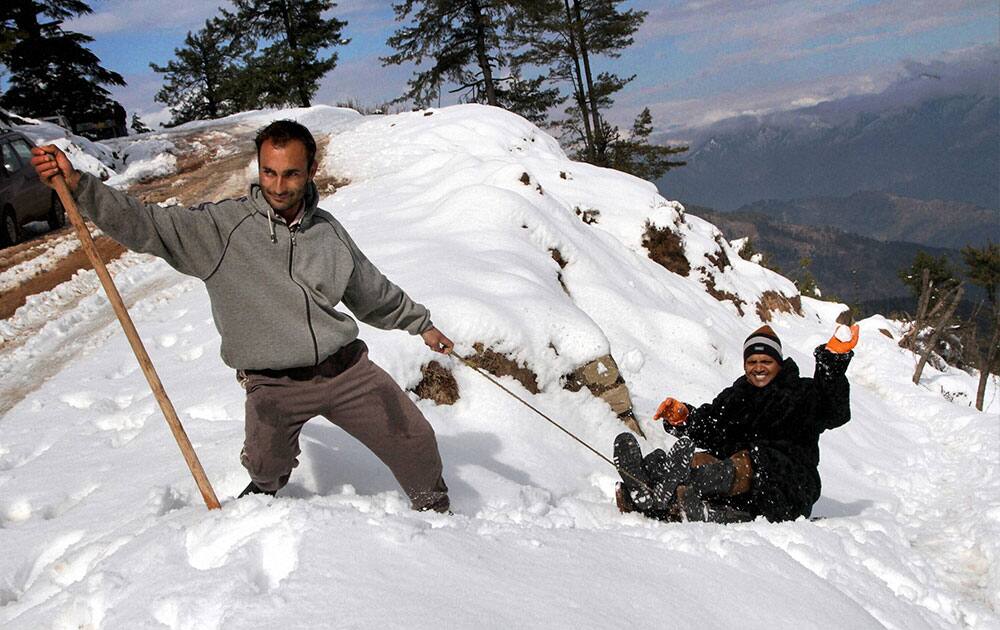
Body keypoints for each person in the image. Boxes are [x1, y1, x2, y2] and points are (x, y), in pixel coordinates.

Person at [31, 120, 453, 512]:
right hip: (273, 384)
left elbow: (369, 289)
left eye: (290, 174)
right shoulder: (221, 228)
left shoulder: (328, 232)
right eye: (269, 172)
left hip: (345, 372)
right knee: (266, 467)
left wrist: (421, 324)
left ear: (311, 169)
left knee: (415, 439)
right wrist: (79, 186)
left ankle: (438, 516)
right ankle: (257, 506)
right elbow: (147, 224)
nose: (279, 185)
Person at [614, 323, 859, 523]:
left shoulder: (801, 394)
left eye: (766, 361)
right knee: (698, 459)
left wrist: (833, 365)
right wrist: (684, 418)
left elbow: (833, 410)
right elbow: (712, 426)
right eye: (752, 362)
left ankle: (672, 486)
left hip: (786, 489)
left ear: (779, 363)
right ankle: (647, 487)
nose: (758, 368)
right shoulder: (738, 396)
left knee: (751, 459)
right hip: (739, 492)